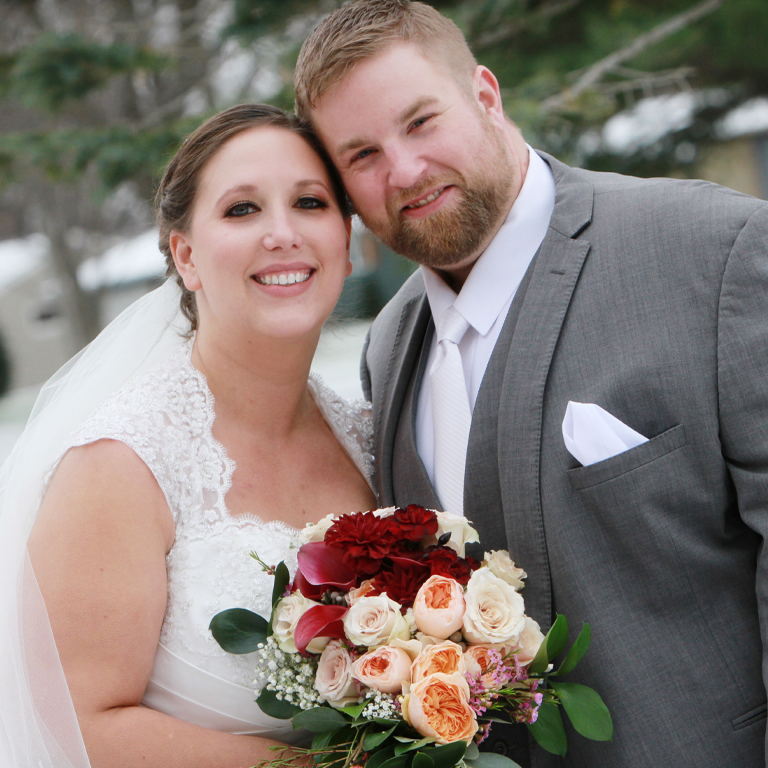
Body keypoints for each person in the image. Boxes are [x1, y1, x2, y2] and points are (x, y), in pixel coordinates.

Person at [293, 2, 768, 767]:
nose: (405, 172)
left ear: (486, 94)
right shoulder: (389, 343)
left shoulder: (714, 256)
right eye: (363, 156)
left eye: (421, 121)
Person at [0, 103, 377, 767]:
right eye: (241, 210)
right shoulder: (119, 464)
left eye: (310, 202)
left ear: (347, 239)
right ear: (187, 255)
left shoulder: (369, 436)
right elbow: (78, 722)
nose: (282, 233)